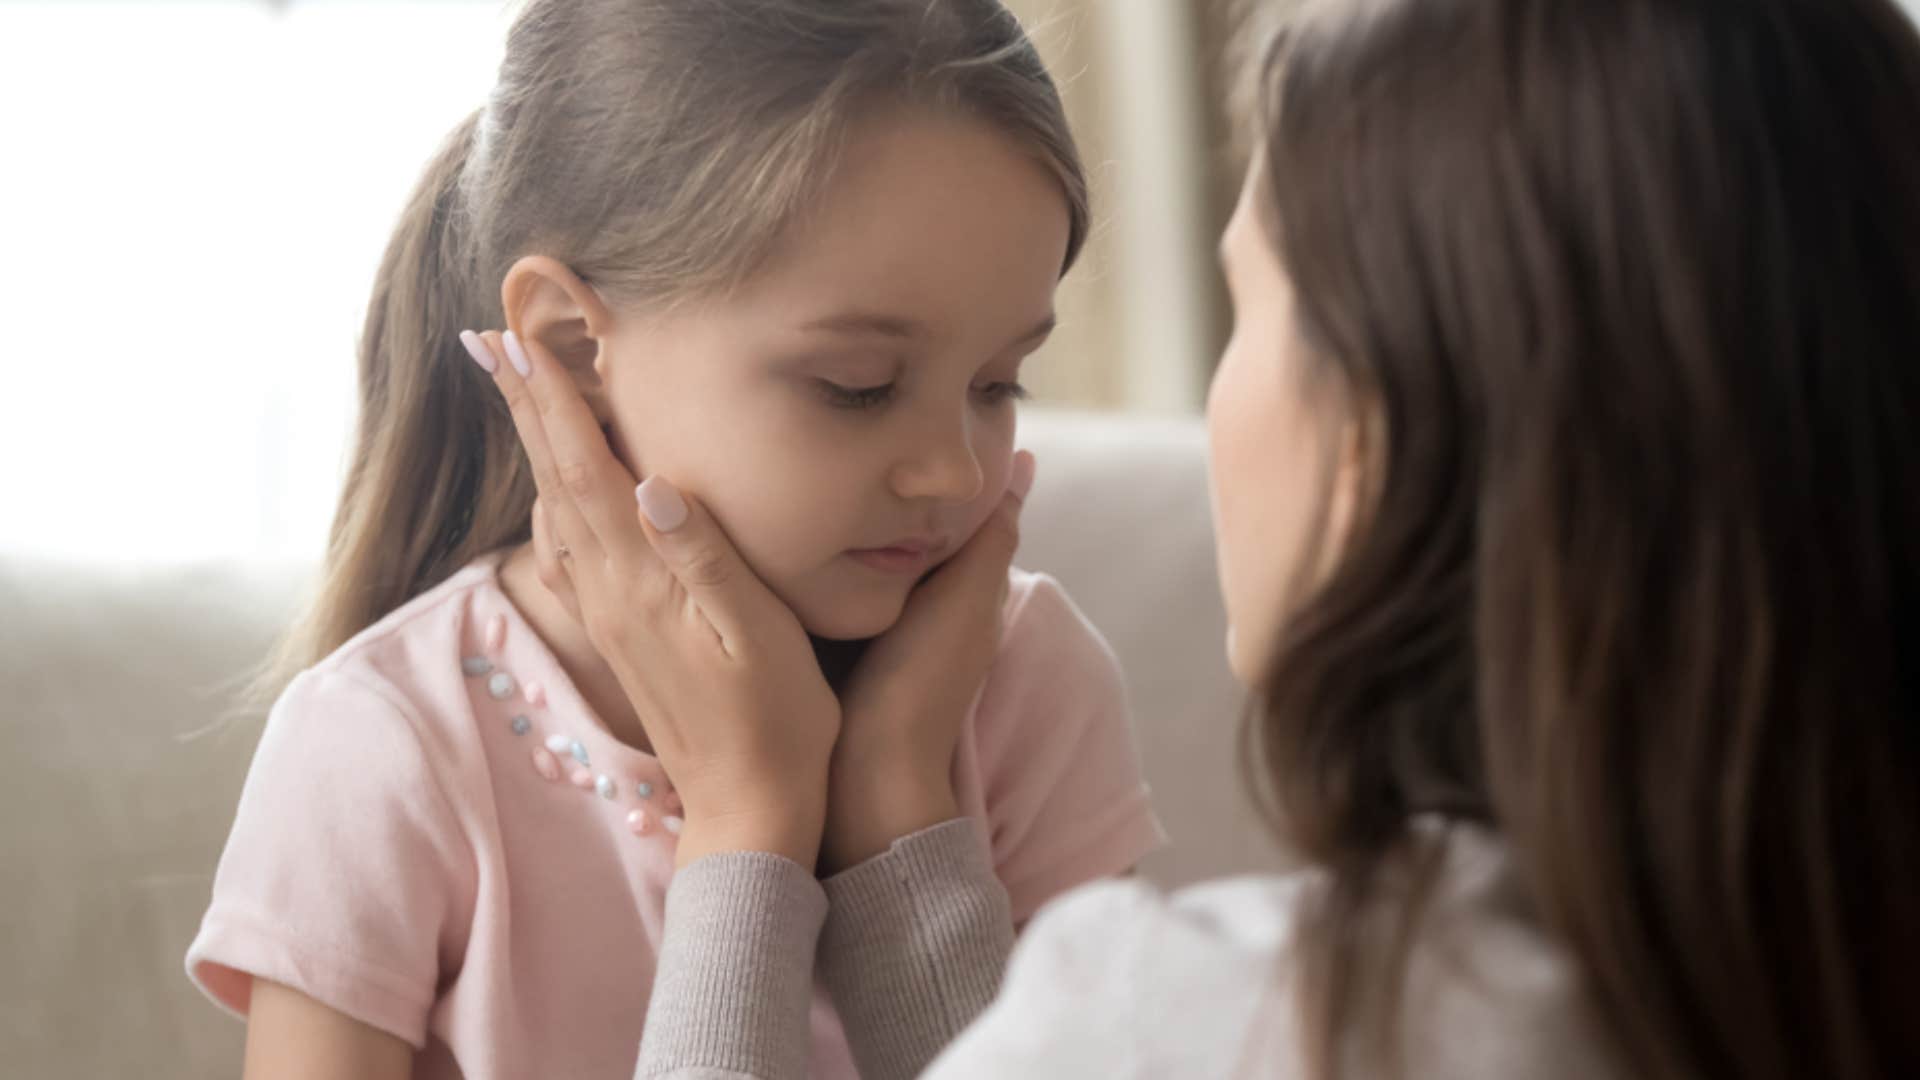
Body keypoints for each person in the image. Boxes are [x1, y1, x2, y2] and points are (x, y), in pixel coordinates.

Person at [474, 0, 1920, 1077]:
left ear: (1383, 430)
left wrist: (751, 823)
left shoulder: (1208, 1028)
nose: (953, 469)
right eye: (858, 385)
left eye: (1252, 310)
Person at [183, 3, 1166, 1077]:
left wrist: (899, 815)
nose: (955, 471)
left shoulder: (1022, 688)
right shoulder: (387, 747)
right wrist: (752, 824)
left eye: (996, 382)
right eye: (858, 387)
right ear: (572, 341)